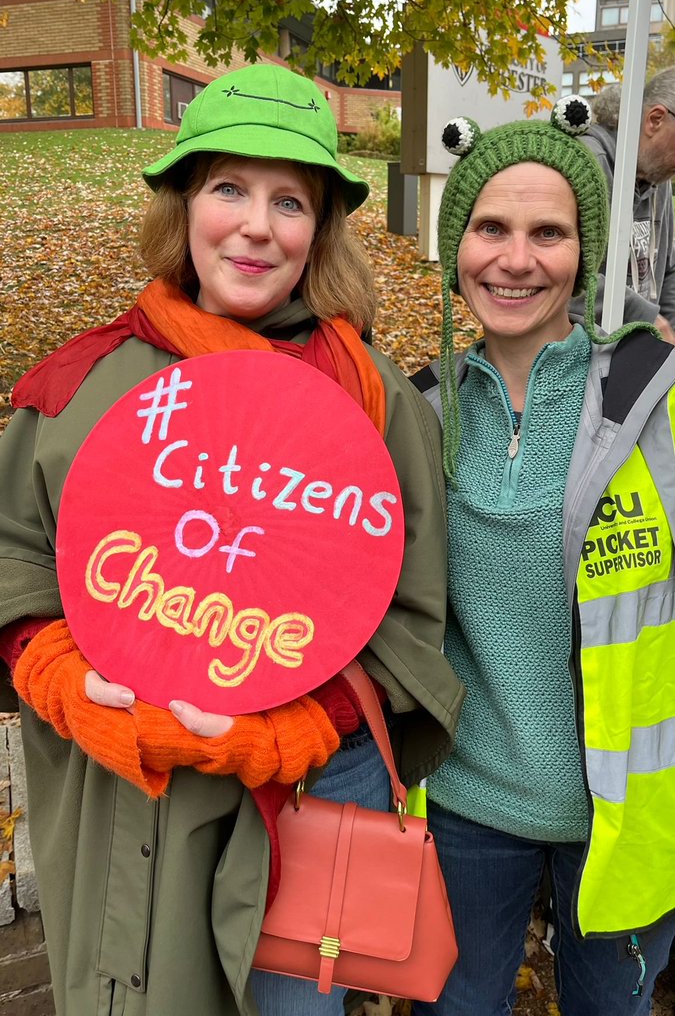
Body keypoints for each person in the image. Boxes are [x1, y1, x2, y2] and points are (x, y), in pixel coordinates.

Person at [0, 63, 465, 1016]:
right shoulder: (83, 384)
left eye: (288, 201)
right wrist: (53, 668)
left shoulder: (373, 403)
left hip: (300, 807)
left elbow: (408, 618)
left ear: (318, 231)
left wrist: (296, 726)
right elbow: (15, 553)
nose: (255, 226)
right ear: (182, 206)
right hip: (126, 793)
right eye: (228, 189)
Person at [412, 95, 675, 1016]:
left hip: (628, 814)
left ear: (584, 251)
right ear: (455, 246)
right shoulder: (418, 411)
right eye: (490, 227)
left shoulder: (655, 398)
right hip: (464, 805)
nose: (515, 259)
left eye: (547, 233)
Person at [570, 67, 675, 340]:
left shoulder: (658, 177)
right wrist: (645, 317)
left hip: (638, 346)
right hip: (584, 347)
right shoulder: (588, 164)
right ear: (655, 119)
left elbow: (668, 268)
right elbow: (567, 274)